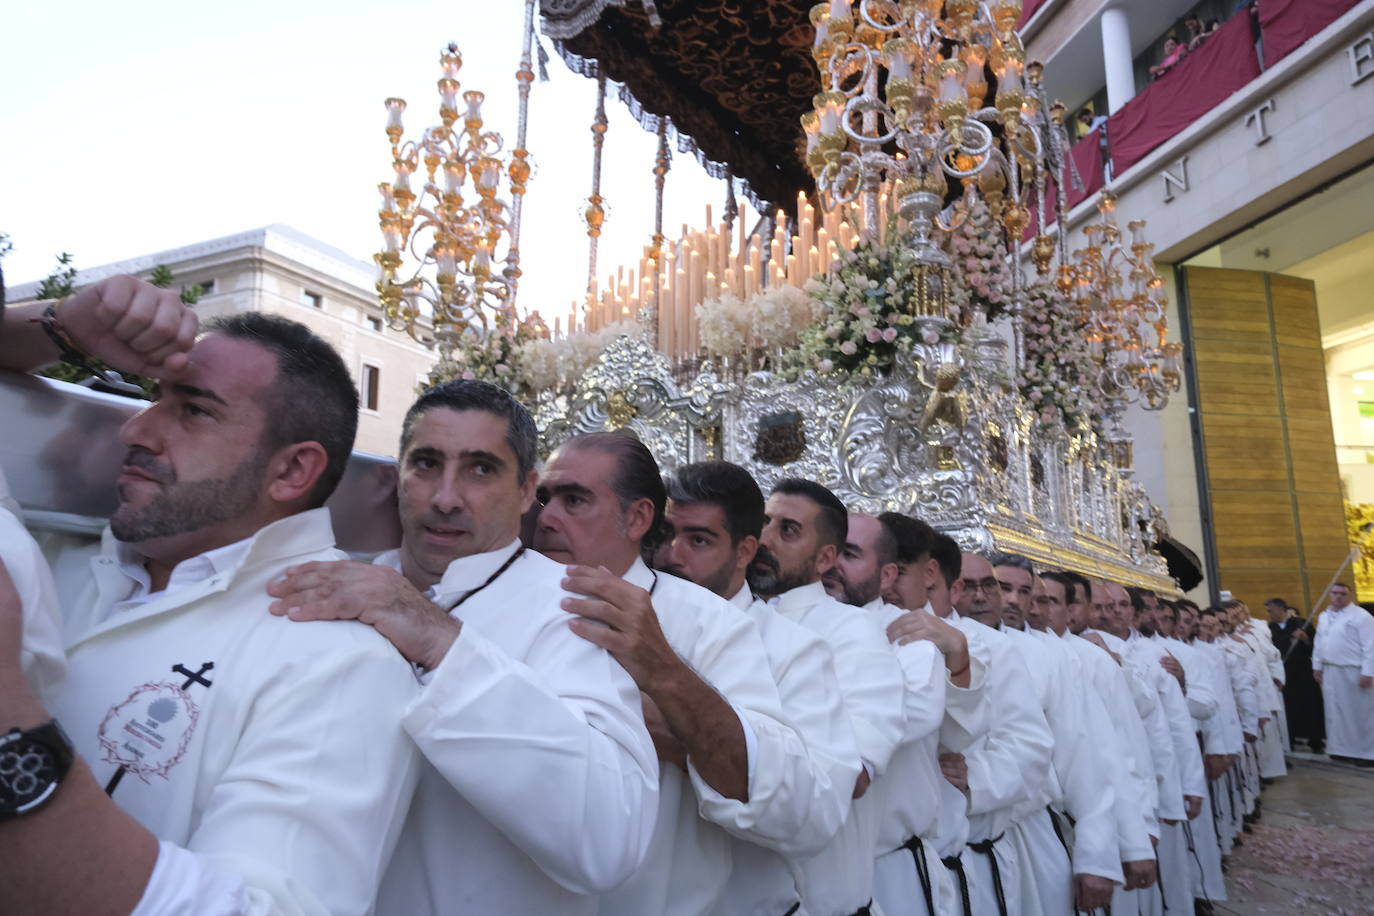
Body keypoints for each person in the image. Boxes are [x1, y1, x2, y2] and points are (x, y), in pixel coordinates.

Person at [2, 306, 422, 916]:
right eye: (155, 398)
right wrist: (61, 327)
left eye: (193, 410)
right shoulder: (55, 556)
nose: (136, 430)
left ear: (292, 470)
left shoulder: (339, 663)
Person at [268, 381, 661, 914]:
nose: (445, 497)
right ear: (396, 477)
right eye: (426, 464)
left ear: (527, 491)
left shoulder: (570, 611)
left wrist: (440, 641)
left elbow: (611, 840)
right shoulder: (333, 587)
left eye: (480, 469)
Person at [533, 433, 809, 916]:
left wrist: (662, 673)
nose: (548, 518)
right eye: (543, 498)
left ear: (638, 518)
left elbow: (782, 797)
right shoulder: (503, 600)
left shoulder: (709, 623)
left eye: (574, 500)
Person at [656, 460, 861, 916]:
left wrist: (694, 741)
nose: (672, 554)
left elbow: (819, 812)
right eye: (666, 534)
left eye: (699, 540)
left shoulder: (794, 652)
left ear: (745, 550)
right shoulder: (630, 624)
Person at [750, 479, 906, 916]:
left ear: (824, 559)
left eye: (788, 530)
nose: (765, 539)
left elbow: (852, 776)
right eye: (763, 523)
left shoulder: (853, 632)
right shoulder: (729, 615)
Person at [830, 513, 982, 916]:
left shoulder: (911, 633)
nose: (834, 564)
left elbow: (914, 715)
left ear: (886, 575)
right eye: (831, 550)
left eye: (850, 553)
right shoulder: (794, 623)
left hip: (892, 868)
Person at [990, 556, 1120, 915]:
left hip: (1032, 832)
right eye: (1004, 588)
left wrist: (1095, 856)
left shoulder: (1049, 657)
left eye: (1024, 591)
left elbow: (1083, 755)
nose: (1013, 600)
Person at [950, 552, 1055, 916]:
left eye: (989, 585)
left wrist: (975, 779)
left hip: (1014, 828)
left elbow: (1080, 751)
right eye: (969, 586)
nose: (982, 597)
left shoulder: (1043, 655)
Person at [1312, 582, 1374, 767]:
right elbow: (1319, 642)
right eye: (1335, 593)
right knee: (1335, 712)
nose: (1338, 597)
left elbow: (1370, 646)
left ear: (1350, 595)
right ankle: (1340, 749)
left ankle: (1366, 753)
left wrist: (1368, 672)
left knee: (1360, 713)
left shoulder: (1362, 617)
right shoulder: (1324, 616)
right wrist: (1317, 665)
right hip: (1330, 670)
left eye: (1343, 593)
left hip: (1353, 670)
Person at [1266, 597, 1324, 753]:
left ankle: (1315, 741)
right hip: (1283, 673)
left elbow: (1317, 647)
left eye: (1271, 610)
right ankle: (1289, 739)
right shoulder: (1268, 628)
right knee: (1288, 707)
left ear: (1281, 609)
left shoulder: (1301, 623)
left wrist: (1305, 639)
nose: (1269, 614)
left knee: (1310, 706)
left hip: (1303, 671)